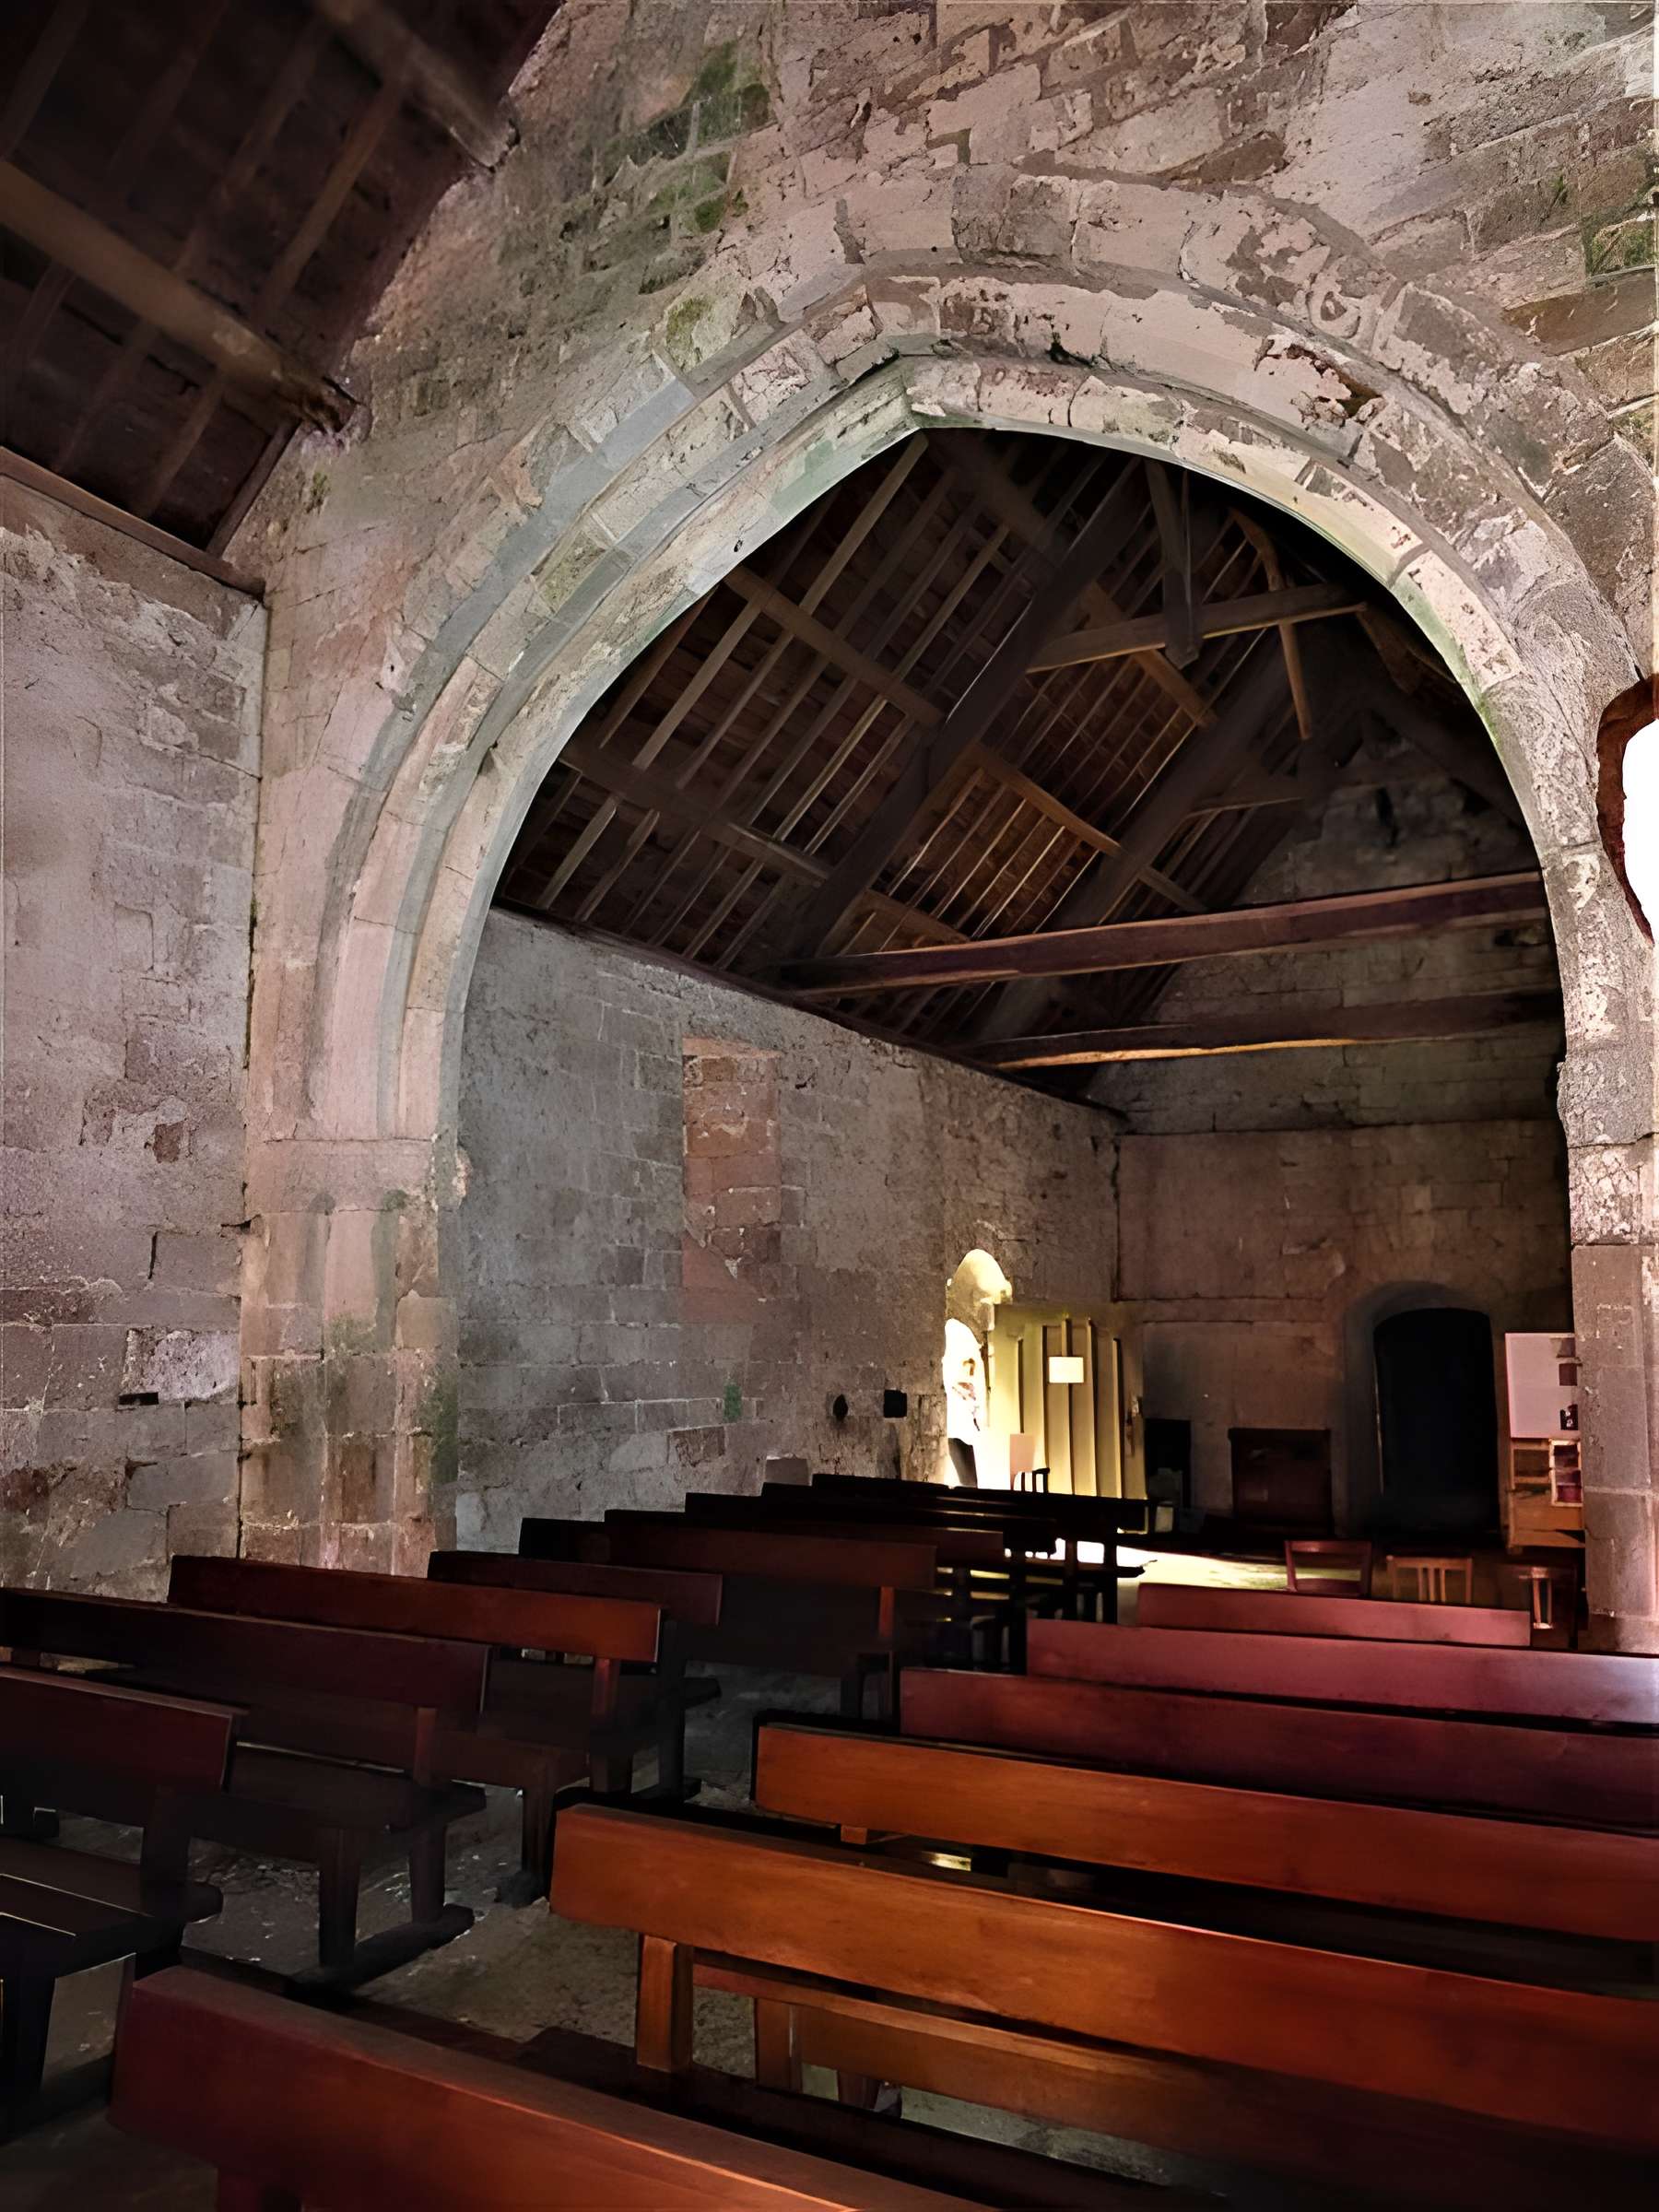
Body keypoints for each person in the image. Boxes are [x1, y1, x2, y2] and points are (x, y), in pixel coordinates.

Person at [942, 1314, 984, 1488]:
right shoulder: (954, 1333)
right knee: (968, 1482)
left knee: (969, 1482)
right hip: (956, 1428)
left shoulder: (958, 1333)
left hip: (962, 1429)